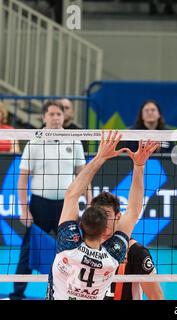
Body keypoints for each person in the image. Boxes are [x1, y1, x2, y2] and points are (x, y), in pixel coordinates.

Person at [46, 131, 160, 300]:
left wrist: (100, 157)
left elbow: (71, 194)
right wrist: (139, 166)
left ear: (83, 223)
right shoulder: (113, 256)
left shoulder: (68, 244)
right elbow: (134, 211)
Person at [9, 100, 89, 300]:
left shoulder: (74, 141)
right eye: (51, 114)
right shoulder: (34, 142)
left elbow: (83, 176)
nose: (55, 118)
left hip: (66, 206)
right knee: (28, 251)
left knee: (72, 251)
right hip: (40, 205)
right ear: (43, 117)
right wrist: (24, 210)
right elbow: (23, 179)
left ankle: (75, 293)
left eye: (58, 114)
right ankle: (17, 294)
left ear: (64, 117)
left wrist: (89, 202)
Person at [90, 192, 164, 300]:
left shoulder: (136, 252)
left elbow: (156, 296)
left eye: (107, 214)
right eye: (98, 215)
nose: (103, 220)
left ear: (118, 216)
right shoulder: (87, 247)